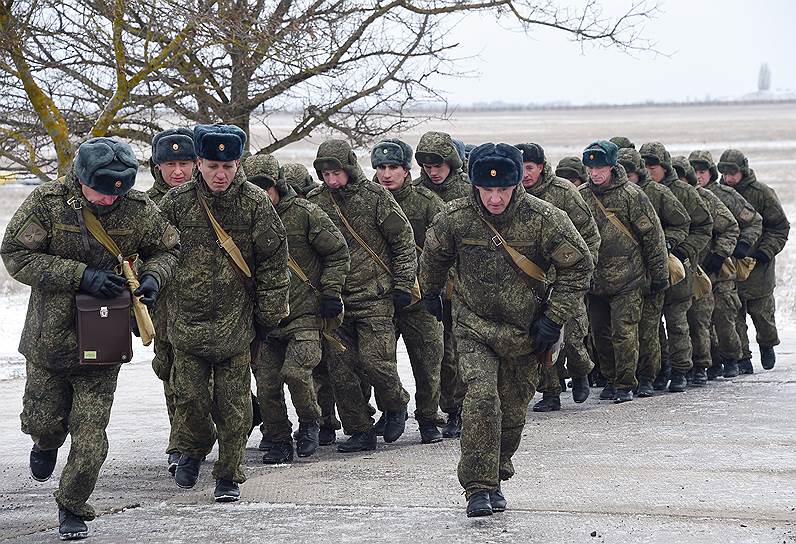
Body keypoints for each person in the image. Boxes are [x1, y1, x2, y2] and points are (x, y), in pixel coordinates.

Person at [1, 137, 179, 540]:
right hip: (50, 337)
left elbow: (167, 250)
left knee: (91, 433)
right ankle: (44, 444)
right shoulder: (47, 204)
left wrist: (153, 278)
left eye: (117, 192)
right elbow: (16, 254)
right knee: (44, 422)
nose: (108, 200)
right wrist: (80, 276)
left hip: (105, 336)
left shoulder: (138, 209)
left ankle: (73, 507)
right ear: (81, 178)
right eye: (99, 190)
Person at [420, 142, 592, 517]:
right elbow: (434, 254)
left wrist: (554, 318)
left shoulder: (545, 218)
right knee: (482, 400)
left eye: (503, 189)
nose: (495, 198)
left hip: (526, 332)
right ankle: (478, 488)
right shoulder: (456, 218)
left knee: (512, 413)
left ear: (517, 184)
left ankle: (495, 474)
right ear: (475, 185)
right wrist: (430, 292)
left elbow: (578, 266)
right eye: (487, 189)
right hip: (473, 326)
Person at [159, 124, 290, 502]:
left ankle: (229, 474)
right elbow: (154, 252)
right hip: (186, 323)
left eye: (229, 166)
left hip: (236, 324)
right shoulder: (176, 203)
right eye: (213, 165)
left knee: (233, 408)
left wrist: (268, 316)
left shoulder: (254, 202)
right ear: (199, 162)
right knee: (189, 399)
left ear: (238, 165)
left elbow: (272, 262)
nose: (221, 175)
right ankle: (194, 445)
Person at [308, 139, 415, 453]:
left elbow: (403, 241)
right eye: (325, 174)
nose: (331, 180)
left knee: (375, 361)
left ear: (349, 169)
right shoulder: (315, 202)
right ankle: (359, 429)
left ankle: (396, 404)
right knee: (341, 370)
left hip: (375, 297)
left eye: (336, 173)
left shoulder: (375, 198)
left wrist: (402, 285)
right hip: (335, 301)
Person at [243, 152, 349, 463]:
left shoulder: (306, 214)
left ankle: (310, 422)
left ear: (277, 185)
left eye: (266, 187)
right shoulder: (243, 219)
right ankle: (277, 438)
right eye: (254, 187)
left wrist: (331, 291)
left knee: (297, 372)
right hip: (265, 319)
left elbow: (337, 252)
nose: (262, 194)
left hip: (304, 314)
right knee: (267, 385)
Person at [580, 140, 669, 403]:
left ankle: (626, 383)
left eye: (600, 167)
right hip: (595, 281)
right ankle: (609, 377)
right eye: (590, 167)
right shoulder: (582, 196)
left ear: (611, 166)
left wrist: (659, 273)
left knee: (625, 332)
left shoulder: (632, 196)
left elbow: (652, 236)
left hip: (629, 279)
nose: (595, 173)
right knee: (600, 334)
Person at [514, 142, 600, 411]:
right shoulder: (510, 197)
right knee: (542, 339)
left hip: (565, 280)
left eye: (530, 168)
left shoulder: (563, 192)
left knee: (573, 337)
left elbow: (590, 235)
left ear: (541, 167)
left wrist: (583, 270)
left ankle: (580, 370)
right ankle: (550, 391)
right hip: (533, 282)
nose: (525, 174)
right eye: (521, 168)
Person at [371, 138, 446, 443]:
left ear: (406, 170)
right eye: (380, 168)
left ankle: (428, 418)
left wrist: (435, 289)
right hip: (380, 298)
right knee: (379, 360)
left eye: (393, 167)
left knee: (428, 362)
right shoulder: (368, 202)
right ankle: (392, 409)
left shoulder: (427, 203)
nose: (386, 174)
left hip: (419, 298)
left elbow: (446, 248)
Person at [146, 128, 201, 474]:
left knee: (202, 381)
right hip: (165, 306)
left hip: (206, 307)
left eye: (184, 163)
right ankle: (180, 444)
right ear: (157, 166)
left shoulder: (209, 197)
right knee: (171, 373)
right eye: (170, 164)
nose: (177, 171)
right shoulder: (145, 205)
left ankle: (198, 438)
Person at [639, 142, 712, 393]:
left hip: (677, 269)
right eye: (645, 166)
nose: (649, 171)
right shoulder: (638, 191)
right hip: (647, 271)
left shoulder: (684, 192)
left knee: (678, 322)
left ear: (665, 166)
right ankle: (660, 369)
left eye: (654, 166)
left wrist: (682, 250)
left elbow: (704, 227)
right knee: (651, 326)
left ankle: (684, 370)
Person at [618, 148, 689, 396]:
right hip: (622, 276)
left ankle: (656, 374)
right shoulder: (610, 195)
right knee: (623, 330)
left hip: (652, 272)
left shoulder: (659, 193)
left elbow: (683, 223)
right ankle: (625, 378)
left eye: (632, 172)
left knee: (652, 328)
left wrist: (668, 244)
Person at [414, 130, 470, 438]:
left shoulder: (470, 192)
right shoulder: (415, 194)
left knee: (460, 352)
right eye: (427, 165)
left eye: (438, 165)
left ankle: (459, 410)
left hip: (466, 286)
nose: (433, 171)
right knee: (439, 354)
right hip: (431, 285)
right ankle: (447, 408)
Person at [689, 150, 762, 378]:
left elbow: (753, 221)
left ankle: (737, 358)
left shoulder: (726, 195)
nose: (698, 176)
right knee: (700, 319)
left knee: (725, 315)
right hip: (698, 268)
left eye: (702, 171)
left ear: (711, 173)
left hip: (722, 267)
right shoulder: (685, 196)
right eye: (694, 172)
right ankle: (710, 361)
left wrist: (740, 247)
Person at [718, 149, 789, 372]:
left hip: (758, 266)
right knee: (733, 316)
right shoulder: (719, 194)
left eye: (733, 173)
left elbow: (779, 227)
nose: (729, 178)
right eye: (725, 173)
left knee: (762, 315)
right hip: (730, 266)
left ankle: (767, 345)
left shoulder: (762, 193)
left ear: (743, 171)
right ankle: (743, 358)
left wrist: (765, 252)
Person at [673, 156, 739, 386]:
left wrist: (718, 255)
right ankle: (681, 366)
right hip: (675, 269)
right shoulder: (662, 197)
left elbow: (730, 227)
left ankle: (704, 364)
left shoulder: (703, 198)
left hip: (703, 270)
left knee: (701, 319)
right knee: (678, 322)